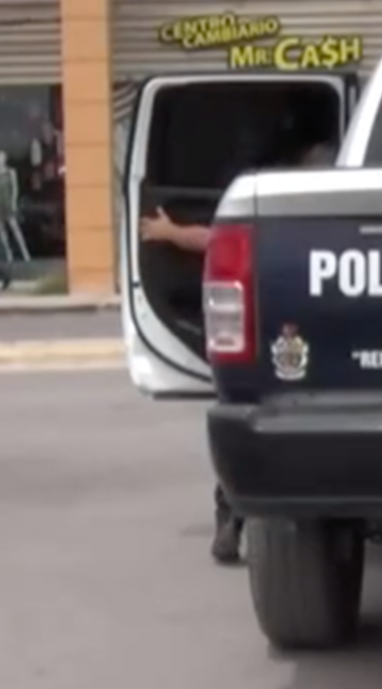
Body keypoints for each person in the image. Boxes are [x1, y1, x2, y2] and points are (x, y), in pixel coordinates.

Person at [139, 139, 338, 566]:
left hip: (276, 350)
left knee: (252, 429)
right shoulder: (342, 227)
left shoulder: (275, 224)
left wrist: (169, 233)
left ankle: (232, 519)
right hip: (321, 353)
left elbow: (212, 241)